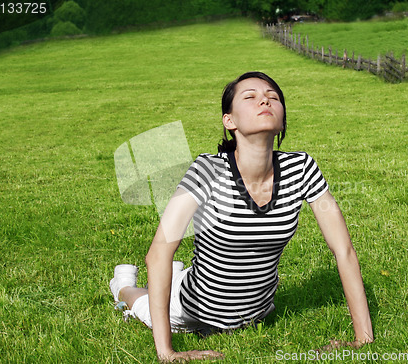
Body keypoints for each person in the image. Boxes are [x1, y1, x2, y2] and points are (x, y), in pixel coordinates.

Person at [109, 71, 374, 362]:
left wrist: (363, 338)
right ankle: (122, 283)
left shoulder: (301, 168)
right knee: (139, 301)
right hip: (191, 311)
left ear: (282, 120)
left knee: (176, 275)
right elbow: (159, 253)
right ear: (229, 121)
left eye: (273, 97)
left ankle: (176, 275)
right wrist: (166, 352)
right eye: (250, 97)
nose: (265, 99)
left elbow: (344, 250)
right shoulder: (207, 171)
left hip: (259, 313)